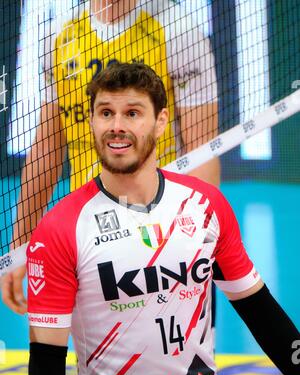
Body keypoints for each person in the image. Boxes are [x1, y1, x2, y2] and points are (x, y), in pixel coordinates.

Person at [24, 62, 299, 375]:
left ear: (161, 121)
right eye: (106, 113)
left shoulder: (205, 206)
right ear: (91, 122)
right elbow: (46, 368)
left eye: (132, 113)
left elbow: (263, 316)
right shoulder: (61, 228)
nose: (117, 126)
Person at [1, 0, 219, 314]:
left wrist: (195, 242)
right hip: (88, 239)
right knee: (97, 360)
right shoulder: (60, 37)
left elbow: (203, 149)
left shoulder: (178, 30)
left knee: (178, 360)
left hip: (162, 235)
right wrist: (20, 245)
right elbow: (47, 148)